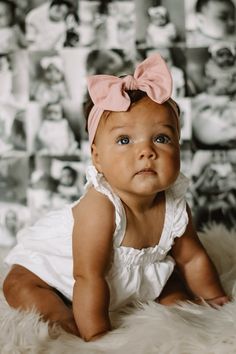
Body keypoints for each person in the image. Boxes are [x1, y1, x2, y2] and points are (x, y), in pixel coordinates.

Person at [3, 54, 229, 342]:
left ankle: (172, 313)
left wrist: (216, 299)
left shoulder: (174, 205)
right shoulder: (100, 206)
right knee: (17, 285)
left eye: (161, 138)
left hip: (123, 282)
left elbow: (193, 258)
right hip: (63, 278)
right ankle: (65, 316)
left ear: (179, 148)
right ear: (97, 157)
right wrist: (98, 336)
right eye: (125, 141)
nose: (146, 151)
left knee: (172, 284)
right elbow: (88, 277)